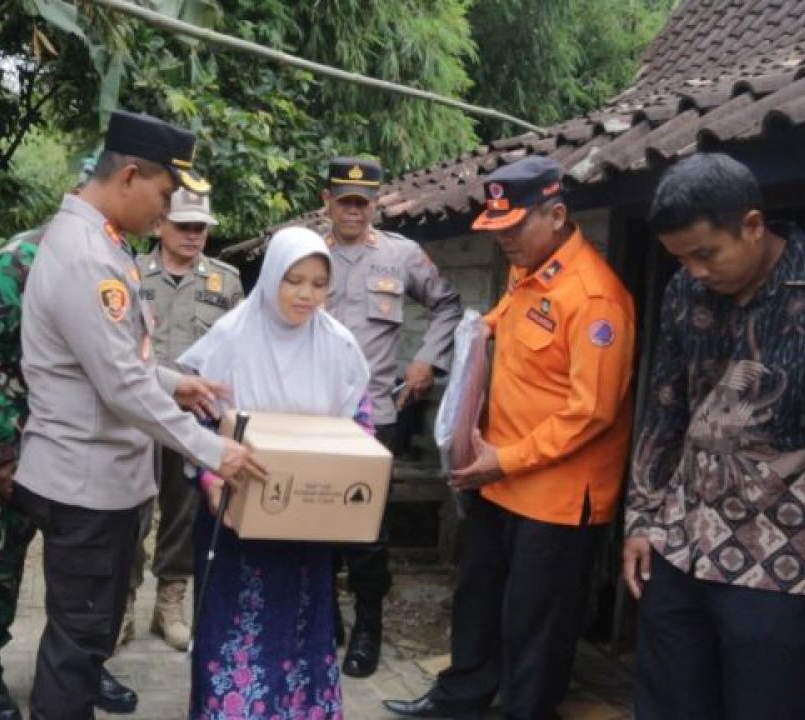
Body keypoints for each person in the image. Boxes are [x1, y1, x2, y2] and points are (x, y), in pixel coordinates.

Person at [14, 109, 266, 719]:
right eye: (163, 195)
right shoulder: (87, 258)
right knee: (77, 644)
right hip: (85, 486)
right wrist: (211, 450)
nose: (166, 212)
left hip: (99, 480)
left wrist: (178, 384)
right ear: (129, 175)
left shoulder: (100, 244)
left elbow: (115, 360)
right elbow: (120, 383)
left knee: (86, 637)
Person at [384, 155, 637, 719]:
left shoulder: (596, 299)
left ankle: (526, 711)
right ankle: (458, 700)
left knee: (536, 621)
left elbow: (591, 412)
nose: (503, 240)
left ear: (557, 214)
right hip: (498, 478)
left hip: (557, 495)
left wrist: (508, 459)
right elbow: (501, 323)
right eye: (494, 229)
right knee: (477, 599)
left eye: (513, 226)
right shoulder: (528, 271)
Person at [623, 153, 805, 719]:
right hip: (679, 547)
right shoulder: (685, 291)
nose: (696, 270)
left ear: (753, 225)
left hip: (782, 565)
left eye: (706, 253)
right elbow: (664, 410)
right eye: (681, 258)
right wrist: (642, 518)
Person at [177, 226, 372, 719]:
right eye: (293, 280)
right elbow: (193, 417)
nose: (306, 294)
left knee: (301, 629)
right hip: (238, 521)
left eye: (317, 283)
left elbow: (360, 424)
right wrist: (210, 479)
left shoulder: (339, 347)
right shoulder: (230, 338)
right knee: (233, 629)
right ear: (268, 280)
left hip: (307, 524)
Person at [0, 159, 105, 720]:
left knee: (81, 569)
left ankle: (81, 668)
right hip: (21, 446)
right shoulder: (20, 259)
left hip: (82, 448)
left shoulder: (112, 263)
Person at [321, 156, 463, 677]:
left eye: (363, 202)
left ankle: (368, 626)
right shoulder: (309, 256)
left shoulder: (403, 257)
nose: (354, 211)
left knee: (365, 527)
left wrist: (427, 359)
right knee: (314, 520)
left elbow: (448, 304)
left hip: (374, 415)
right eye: (345, 201)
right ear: (328, 202)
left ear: (375, 204)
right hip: (315, 415)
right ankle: (324, 616)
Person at [123, 187, 245, 651]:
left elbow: (236, 351)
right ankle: (124, 601)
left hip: (193, 415)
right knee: (132, 512)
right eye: (184, 226)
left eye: (201, 228)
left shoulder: (226, 282)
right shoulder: (130, 272)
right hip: (136, 414)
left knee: (183, 509)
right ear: (160, 226)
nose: (194, 235)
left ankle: (169, 600)